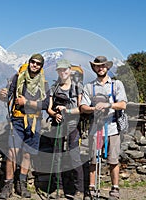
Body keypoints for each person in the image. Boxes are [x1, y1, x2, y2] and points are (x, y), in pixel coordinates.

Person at [0, 53, 49, 199]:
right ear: (29, 62)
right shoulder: (18, 77)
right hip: (18, 119)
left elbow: (45, 104)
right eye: (33, 62)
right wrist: (2, 96)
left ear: (41, 67)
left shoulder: (43, 83)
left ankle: (22, 183)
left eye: (38, 64)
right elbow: (8, 96)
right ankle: (8, 185)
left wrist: (26, 102)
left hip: (34, 121)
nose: (34, 65)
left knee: (27, 154)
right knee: (12, 152)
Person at [79, 56, 127, 200]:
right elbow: (82, 107)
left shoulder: (117, 84)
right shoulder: (89, 86)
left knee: (113, 160)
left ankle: (115, 189)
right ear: (94, 68)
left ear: (107, 67)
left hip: (113, 127)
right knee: (94, 159)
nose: (101, 68)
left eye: (103, 66)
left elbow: (123, 104)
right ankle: (92, 189)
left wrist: (108, 105)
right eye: (98, 66)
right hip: (96, 127)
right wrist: (94, 109)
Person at [47, 59, 84, 199]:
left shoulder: (77, 87)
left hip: (73, 125)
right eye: (60, 70)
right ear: (57, 71)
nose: (62, 72)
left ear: (70, 70)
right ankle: (59, 188)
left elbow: (81, 108)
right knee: (57, 157)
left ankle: (79, 190)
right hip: (58, 125)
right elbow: (49, 109)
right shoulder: (54, 87)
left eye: (65, 70)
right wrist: (55, 114)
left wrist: (66, 111)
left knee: (74, 157)